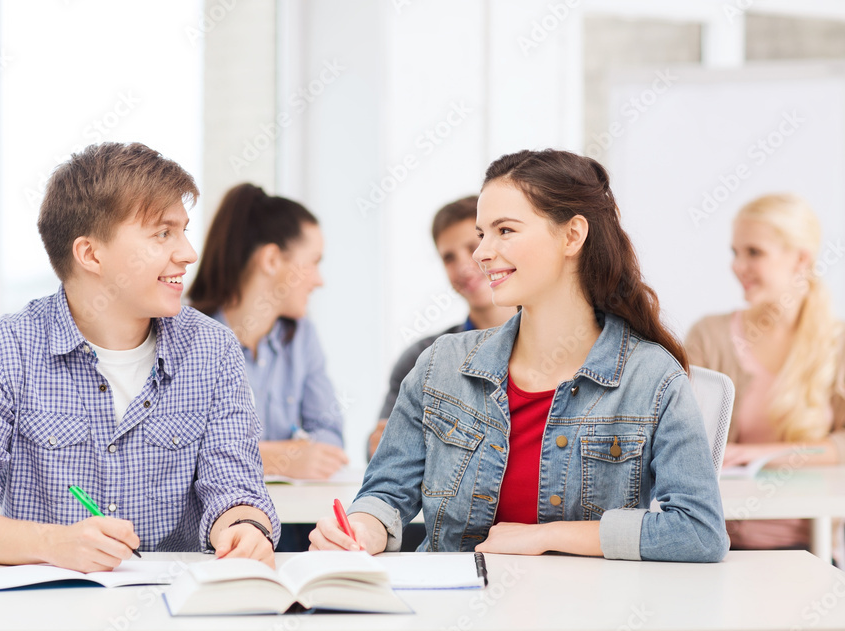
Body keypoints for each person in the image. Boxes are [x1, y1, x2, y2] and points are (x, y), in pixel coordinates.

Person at [310, 149, 728, 562]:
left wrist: (546, 537)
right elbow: (385, 495)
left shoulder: (652, 378)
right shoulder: (441, 365)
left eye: (505, 230)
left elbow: (698, 530)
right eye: (482, 233)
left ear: (572, 236)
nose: (481, 252)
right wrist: (360, 531)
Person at [0, 143, 279, 572]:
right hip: (45, 609)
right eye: (162, 233)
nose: (187, 253)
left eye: (183, 231)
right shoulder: (5, 350)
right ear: (90, 254)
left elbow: (236, 488)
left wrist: (245, 528)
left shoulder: (213, 350)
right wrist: (53, 543)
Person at [685, 193, 845, 551]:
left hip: (809, 551)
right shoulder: (710, 336)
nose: (738, 266)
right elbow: (679, 433)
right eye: (735, 252)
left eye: (754, 252)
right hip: (716, 548)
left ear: (800, 259)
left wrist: (761, 454)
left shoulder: (837, 345)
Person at [188, 183, 347, 481]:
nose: (319, 281)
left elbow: (331, 437)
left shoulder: (302, 337)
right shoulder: (186, 336)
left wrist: (247, 453)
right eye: (313, 262)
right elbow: (173, 453)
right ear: (272, 260)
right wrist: (273, 458)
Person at [367, 196, 517, 459]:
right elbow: (380, 456)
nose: (462, 266)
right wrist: (381, 443)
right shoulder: (422, 358)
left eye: (472, 247)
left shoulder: (550, 346)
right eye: (449, 257)